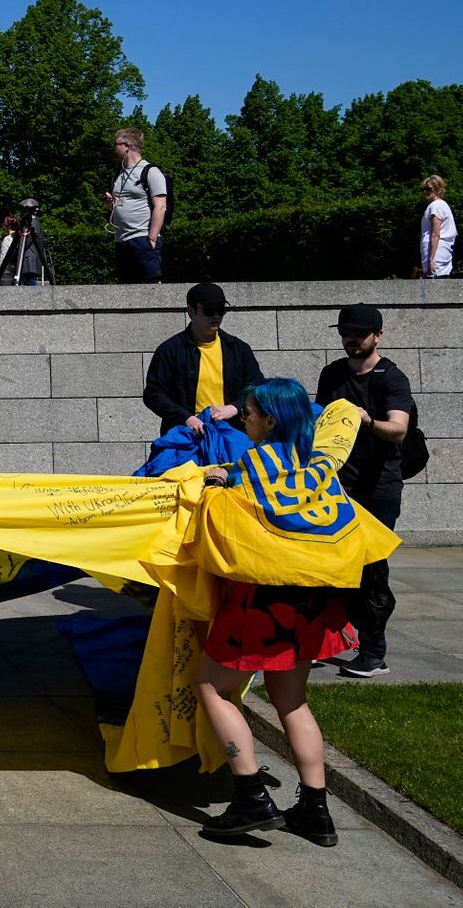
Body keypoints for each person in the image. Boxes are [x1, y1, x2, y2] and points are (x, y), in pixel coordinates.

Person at [193, 379, 367, 846]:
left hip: (263, 602)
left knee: (211, 685)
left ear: (269, 419)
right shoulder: (319, 463)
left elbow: (239, 497)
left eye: (248, 412)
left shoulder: (256, 460)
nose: (243, 417)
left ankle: (251, 794)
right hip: (311, 600)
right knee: (292, 700)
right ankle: (316, 809)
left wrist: (219, 479)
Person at [315, 303, 416, 679]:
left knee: (371, 569)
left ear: (378, 336)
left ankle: (374, 654)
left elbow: (399, 429)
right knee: (328, 563)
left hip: (379, 488)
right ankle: (326, 642)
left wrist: (366, 420)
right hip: (338, 484)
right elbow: (319, 421)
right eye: (346, 332)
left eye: (359, 333)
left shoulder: (392, 377)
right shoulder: (333, 374)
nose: (351, 338)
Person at [144, 282, 264, 436]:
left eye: (221, 310)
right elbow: (153, 394)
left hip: (232, 434)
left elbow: (259, 388)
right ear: (191, 311)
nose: (216, 316)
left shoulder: (239, 349)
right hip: (186, 436)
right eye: (209, 310)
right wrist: (186, 418)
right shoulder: (170, 350)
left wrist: (233, 408)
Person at [105, 127, 168, 284]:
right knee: (126, 288)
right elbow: (115, 208)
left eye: (116, 144)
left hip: (142, 238)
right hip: (121, 240)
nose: (114, 147)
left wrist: (152, 238)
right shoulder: (118, 174)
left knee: (151, 284)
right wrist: (110, 204)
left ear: (126, 146)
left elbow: (161, 206)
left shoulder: (150, 171)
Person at [420, 175, 454, 278]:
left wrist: (431, 259)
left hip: (436, 253)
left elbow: (435, 234)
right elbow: (454, 232)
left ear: (439, 189)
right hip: (442, 252)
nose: (425, 192)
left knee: (433, 286)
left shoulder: (435, 206)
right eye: (423, 189)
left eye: (429, 189)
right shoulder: (444, 205)